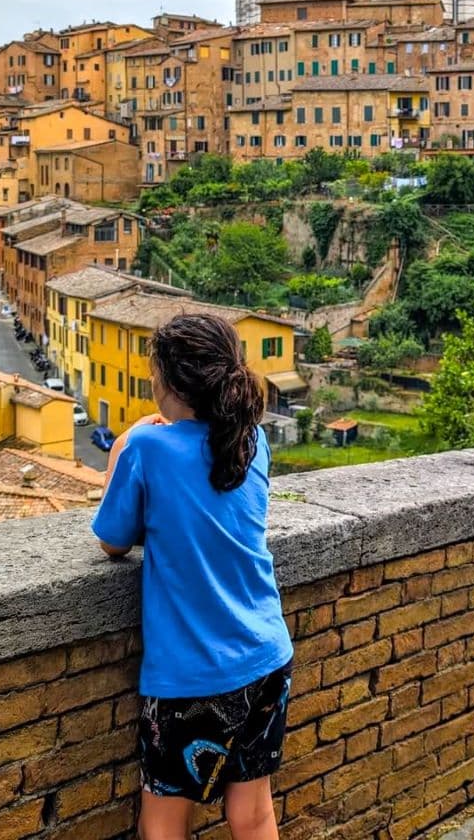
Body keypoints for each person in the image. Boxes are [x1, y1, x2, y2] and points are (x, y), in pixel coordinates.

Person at [92, 312, 293, 840]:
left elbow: (113, 540)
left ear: (169, 383)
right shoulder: (252, 440)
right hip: (266, 656)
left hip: (192, 676)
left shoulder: (147, 448)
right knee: (253, 815)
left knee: (164, 825)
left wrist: (124, 443)